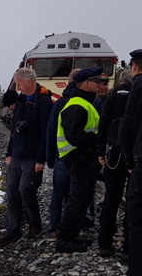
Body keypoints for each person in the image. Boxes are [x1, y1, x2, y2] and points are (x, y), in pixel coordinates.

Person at [0, 68, 53, 246]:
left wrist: (41, 159)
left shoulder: (43, 101)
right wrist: (9, 152)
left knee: (26, 189)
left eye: (19, 84)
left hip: (32, 156)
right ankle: (14, 229)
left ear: (28, 82)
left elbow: (46, 132)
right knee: (12, 190)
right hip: (17, 154)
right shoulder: (20, 100)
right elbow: (14, 130)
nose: (17, 88)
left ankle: (35, 224)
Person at [54, 66, 109, 253]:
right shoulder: (78, 104)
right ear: (86, 83)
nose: (101, 85)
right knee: (78, 198)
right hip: (78, 156)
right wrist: (98, 141)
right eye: (97, 81)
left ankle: (71, 235)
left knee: (82, 197)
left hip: (82, 156)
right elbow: (74, 135)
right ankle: (64, 239)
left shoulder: (84, 103)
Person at [96, 69, 133, 257]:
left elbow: (103, 124)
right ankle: (129, 249)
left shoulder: (113, 96)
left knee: (112, 198)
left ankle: (104, 244)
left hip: (113, 154)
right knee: (133, 202)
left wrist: (100, 151)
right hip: (134, 154)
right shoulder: (138, 91)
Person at [46, 69, 81, 236]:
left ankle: (54, 226)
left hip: (62, 156)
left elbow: (51, 130)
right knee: (77, 193)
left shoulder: (60, 102)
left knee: (58, 194)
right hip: (81, 157)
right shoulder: (90, 101)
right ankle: (74, 227)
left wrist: (49, 158)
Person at [121, 50, 142, 276]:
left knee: (137, 219)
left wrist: (128, 160)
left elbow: (128, 124)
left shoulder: (137, 87)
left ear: (135, 67)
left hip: (141, 162)